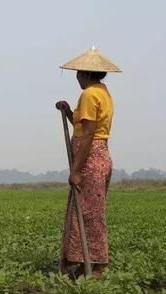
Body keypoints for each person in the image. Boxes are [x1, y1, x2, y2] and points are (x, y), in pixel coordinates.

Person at [55, 47, 121, 279]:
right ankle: (86, 266)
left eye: (78, 73)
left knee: (88, 214)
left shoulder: (89, 94)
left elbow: (89, 134)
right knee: (89, 212)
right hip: (100, 156)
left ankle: (96, 269)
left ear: (84, 73)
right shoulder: (102, 92)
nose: (77, 77)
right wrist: (68, 112)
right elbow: (82, 125)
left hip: (91, 158)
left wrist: (75, 170)